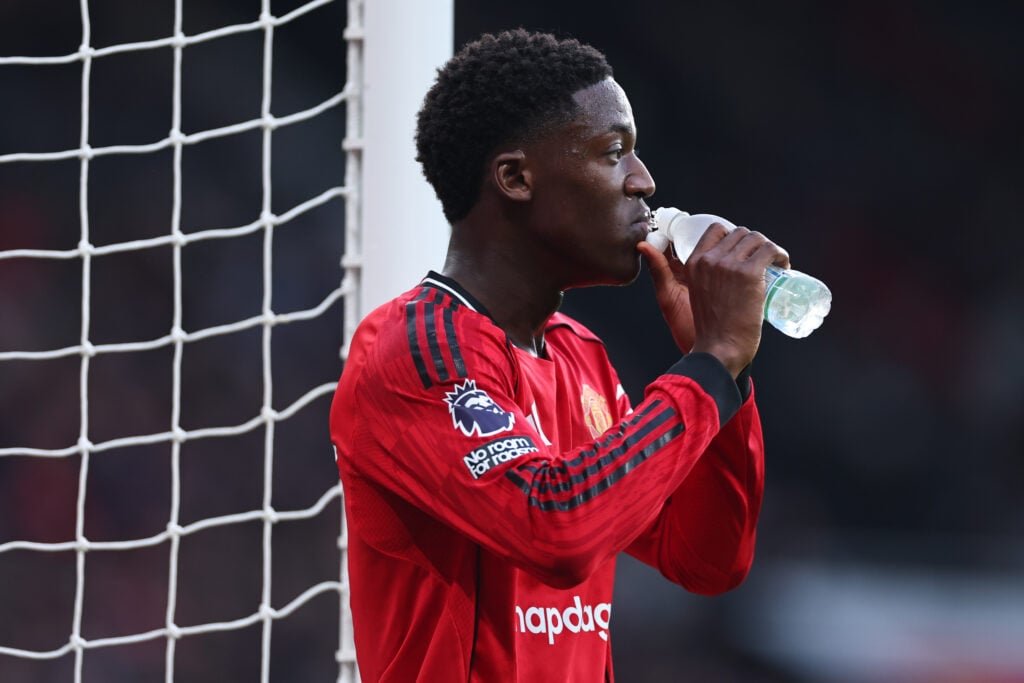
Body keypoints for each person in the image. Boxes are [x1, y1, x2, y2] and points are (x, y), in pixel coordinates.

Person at [330, 28, 788, 682]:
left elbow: (706, 557)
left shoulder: (579, 356)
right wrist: (709, 366)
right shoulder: (413, 349)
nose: (644, 181)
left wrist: (724, 376)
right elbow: (554, 526)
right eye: (614, 152)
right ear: (516, 178)